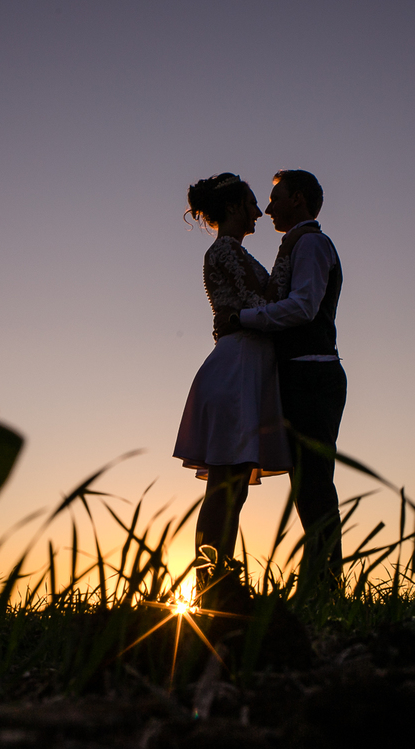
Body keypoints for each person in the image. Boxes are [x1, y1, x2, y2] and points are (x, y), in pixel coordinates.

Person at [173, 173, 307, 585]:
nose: (258, 212)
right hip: (235, 370)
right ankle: (210, 581)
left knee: (235, 484)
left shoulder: (236, 253)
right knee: (224, 484)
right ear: (232, 208)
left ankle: (219, 577)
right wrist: (289, 252)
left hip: (247, 368)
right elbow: (265, 302)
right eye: (251, 203)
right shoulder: (225, 252)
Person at [215, 170, 346, 584]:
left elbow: (303, 307)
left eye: (277, 197)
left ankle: (327, 586)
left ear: (300, 199)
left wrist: (242, 318)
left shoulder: (310, 244)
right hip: (297, 374)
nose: (268, 208)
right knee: (306, 487)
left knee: (314, 485)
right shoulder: (296, 246)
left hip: (313, 372)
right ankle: (321, 585)